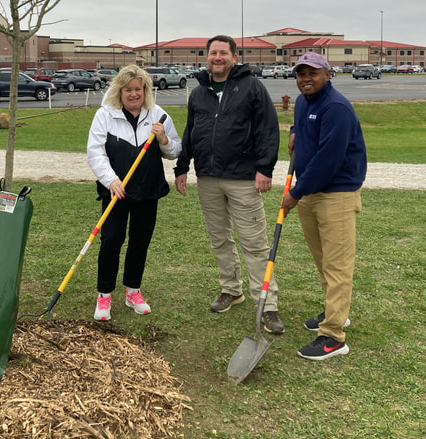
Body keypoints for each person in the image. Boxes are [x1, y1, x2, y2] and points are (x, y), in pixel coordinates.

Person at [174, 35, 284, 334]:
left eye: (223, 53)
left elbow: (267, 129)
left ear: (235, 57)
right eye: (213, 53)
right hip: (208, 178)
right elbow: (190, 131)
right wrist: (182, 167)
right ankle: (231, 290)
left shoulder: (252, 87)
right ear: (207, 57)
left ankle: (267, 304)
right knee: (219, 239)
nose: (217, 58)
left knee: (254, 244)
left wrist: (264, 168)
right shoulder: (199, 93)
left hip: (243, 178)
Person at [281, 51, 366, 361]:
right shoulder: (304, 101)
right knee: (322, 260)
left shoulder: (336, 108)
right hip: (310, 191)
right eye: (301, 73)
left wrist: (295, 193)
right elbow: (301, 124)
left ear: (327, 74)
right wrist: (294, 133)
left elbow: (328, 160)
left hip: (336, 194)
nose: (306, 79)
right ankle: (335, 311)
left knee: (337, 265)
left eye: (313, 73)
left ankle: (333, 336)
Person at [87, 65, 182, 322]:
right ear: (119, 91)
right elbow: (95, 152)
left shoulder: (158, 115)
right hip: (116, 192)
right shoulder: (105, 115)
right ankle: (104, 295)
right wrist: (111, 180)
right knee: (111, 240)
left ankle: (133, 292)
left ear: (145, 90)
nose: (133, 94)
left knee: (140, 241)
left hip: (148, 190)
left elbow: (175, 151)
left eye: (138, 89)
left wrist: (163, 139)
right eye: (128, 89)